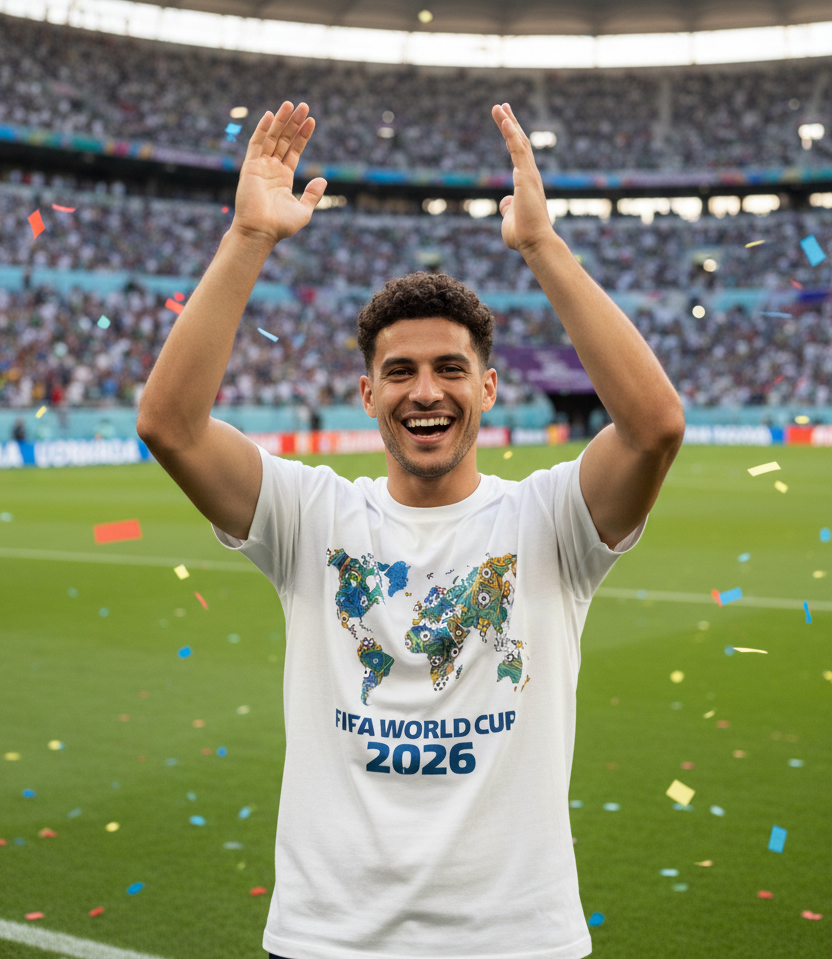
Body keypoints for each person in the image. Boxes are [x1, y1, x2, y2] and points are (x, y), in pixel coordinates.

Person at [137, 100, 685, 959]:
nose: (424, 391)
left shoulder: (547, 521)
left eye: (449, 370)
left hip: (518, 940)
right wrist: (249, 237)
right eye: (399, 372)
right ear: (367, 394)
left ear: (490, 387)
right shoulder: (309, 514)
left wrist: (543, 247)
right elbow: (169, 425)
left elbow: (654, 427)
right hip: (329, 940)